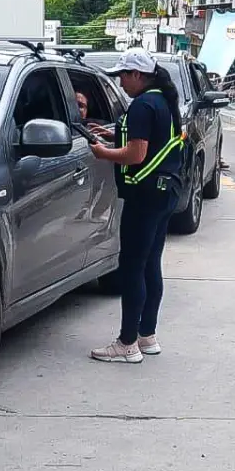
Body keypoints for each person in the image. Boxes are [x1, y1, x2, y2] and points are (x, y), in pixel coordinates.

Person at [86, 48, 185, 364]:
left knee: (131, 267)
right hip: (165, 193)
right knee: (150, 264)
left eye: (123, 76)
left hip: (145, 197)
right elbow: (150, 138)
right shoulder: (162, 101)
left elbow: (136, 154)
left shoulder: (143, 105)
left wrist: (104, 153)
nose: (121, 82)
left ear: (138, 75)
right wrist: (113, 132)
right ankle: (147, 336)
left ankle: (127, 343)